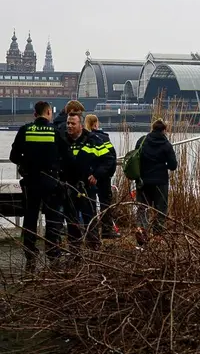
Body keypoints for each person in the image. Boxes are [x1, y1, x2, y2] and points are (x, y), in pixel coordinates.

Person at [9, 101, 73, 272]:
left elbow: (13, 156)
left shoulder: (25, 130)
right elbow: (67, 156)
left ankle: (30, 254)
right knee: (52, 219)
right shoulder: (55, 131)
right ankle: (52, 253)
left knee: (30, 218)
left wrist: (26, 165)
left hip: (31, 181)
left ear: (34, 114)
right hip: (51, 181)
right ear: (49, 113)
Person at [61, 112, 114, 251]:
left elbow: (108, 160)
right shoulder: (63, 141)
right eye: (68, 123)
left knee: (89, 219)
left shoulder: (92, 140)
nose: (69, 126)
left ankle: (94, 249)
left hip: (86, 187)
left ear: (80, 125)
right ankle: (75, 251)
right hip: (68, 186)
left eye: (73, 123)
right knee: (71, 221)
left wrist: (97, 174)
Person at [134, 118, 178, 238]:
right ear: (164, 130)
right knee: (160, 210)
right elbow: (173, 165)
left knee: (142, 208)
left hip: (143, 181)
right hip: (160, 182)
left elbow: (136, 157)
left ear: (152, 128)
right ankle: (157, 235)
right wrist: (164, 165)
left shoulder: (142, 141)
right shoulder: (166, 145)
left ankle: (142, 231)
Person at [84, 114, 120, 239]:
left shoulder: (84, 138)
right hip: (103, 176)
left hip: (89, 177)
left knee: (89, 204)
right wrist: (108, 174)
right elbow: (112, 158)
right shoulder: (104, 138)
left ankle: (90, 231)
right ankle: (106, 230)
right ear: (96, 124)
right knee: (105, 203)